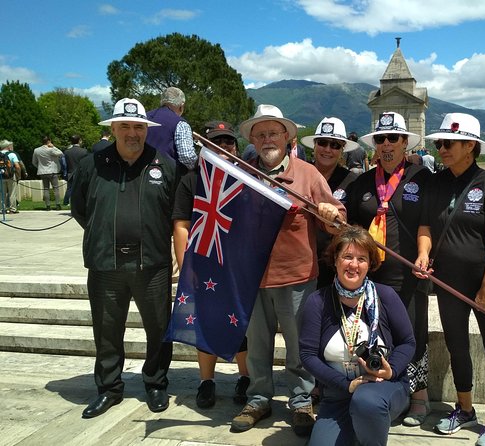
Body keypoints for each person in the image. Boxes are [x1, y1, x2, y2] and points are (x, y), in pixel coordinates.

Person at [231, 104, 346, 436]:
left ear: (287, 137)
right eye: (261, 134)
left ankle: (300, 401)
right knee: (257, 344)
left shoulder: (307, 174)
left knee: (298, 346)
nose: (268, 139)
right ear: (253, 138)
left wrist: (329, 211)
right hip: (253, 276)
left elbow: (338, 218)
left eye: (274, 133)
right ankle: (258, 399)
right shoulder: (242, 172)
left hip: (297, 277)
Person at [71, 98, 177, 419]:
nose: (133, 133)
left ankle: (156, 383)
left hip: (152, 266)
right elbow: (80, 209)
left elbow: (176, 213)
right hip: (105, 265)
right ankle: (109, 389)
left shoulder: (165, 164)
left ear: (146, 129)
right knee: (106, 330)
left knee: (158, 328)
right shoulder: (91, 164)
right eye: (125, 126)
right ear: (113, 129)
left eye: (139, 127)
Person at [416, 112, 485, 446]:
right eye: (440, 143)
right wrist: (424, 253)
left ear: (470, 146)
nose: (442, 148)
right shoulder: (437, 182)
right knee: (458, 347)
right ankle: (465, 408)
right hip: (449, 285)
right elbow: (427, 226)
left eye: (449, 143)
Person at [344, 111, 432, 427]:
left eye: (392, 138)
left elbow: (427, 223)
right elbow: (352, 226)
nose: (385, 145)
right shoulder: (363, 182)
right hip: (373, 277)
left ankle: (419, 395)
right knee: (377, 334)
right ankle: (385, 392)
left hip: (409, 274)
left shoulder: (421, 178)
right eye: (380, 139)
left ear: (405, 142)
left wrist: (423, 254)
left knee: (413, 333)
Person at [299, 225, 416, 446]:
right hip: (338, 394)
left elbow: (407, 342)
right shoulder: (318, 302)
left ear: (370, 264)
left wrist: (391, 371)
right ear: (335, 260)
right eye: (347, 257)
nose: (354, 265)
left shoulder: (386, 296)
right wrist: (345, 385)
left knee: (366, 402)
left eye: (362, 258)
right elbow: (308, 355)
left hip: (383, 388)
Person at [172, 120, 250, 408]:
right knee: (205, 322)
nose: (223, 147)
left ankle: (245, 377)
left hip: (238, 266)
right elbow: (181, 224)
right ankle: (207, 381)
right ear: (203, 147)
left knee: (240, 322)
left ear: (236, 146)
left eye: (228, 141)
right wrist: (186, 266)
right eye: (216, 141)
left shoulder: (247, 178)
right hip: (204, 263)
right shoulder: (191, 180)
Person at [301, 116, 360, 288]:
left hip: (337, 265)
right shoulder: (301, 173)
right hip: (303, 262)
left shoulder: (353, 181)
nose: (328, 149)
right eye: (323, 143)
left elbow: (355, 224)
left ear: (342, 149)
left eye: (335, 145)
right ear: (315, 145)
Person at [146, 86, 197, 175]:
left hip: (140, 175)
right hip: (167, 177)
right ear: (181, 106)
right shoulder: (180, 123)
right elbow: (187, 157)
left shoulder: (144, 117)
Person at [32, 136, 63, 211]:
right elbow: (61, 153)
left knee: (46, 189)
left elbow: (34, 162)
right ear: (49, 141)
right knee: (55, 188)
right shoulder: (50, 149)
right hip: (52, 171)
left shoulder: (36, 150)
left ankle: (48, 206)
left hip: (42, 172)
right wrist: (54, 146)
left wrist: (40, 167)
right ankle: (58, 204)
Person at [63, 135, 89, 206]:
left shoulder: (67, 152)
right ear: (79, 141)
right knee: (81, 190)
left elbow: (64, 164)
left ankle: (67, 202)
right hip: (81, 173)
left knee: (70, 189)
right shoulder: (84, 151)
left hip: (70, 172)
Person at [0, 140, 21, 214]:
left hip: (1, 176)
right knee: (12, 193)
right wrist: (18, 175)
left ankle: (2, 209)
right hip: (11, 176)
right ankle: (12, 209)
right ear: (7, 146)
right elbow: (17, 166)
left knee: (2, 193)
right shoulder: (12, 154)